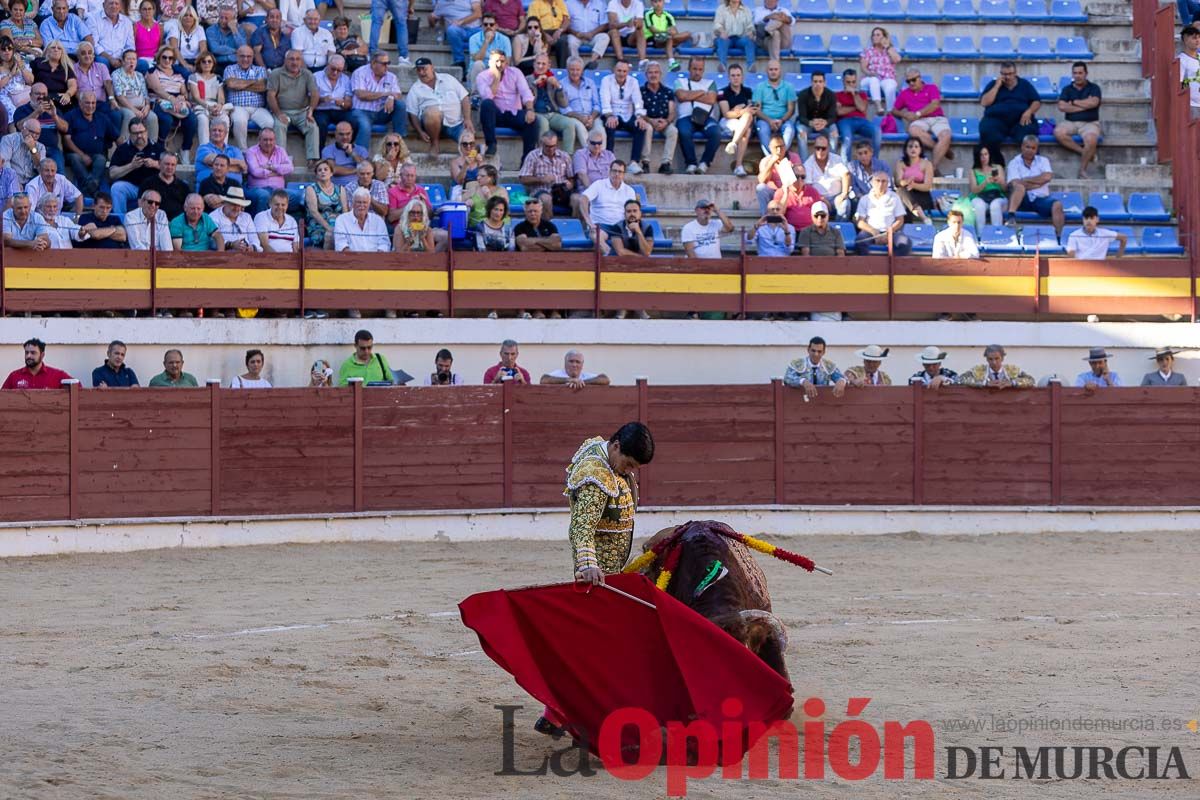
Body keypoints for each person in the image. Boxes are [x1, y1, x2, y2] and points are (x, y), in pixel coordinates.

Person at [476, 50, 538, 164]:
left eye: (502, 61)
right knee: (487, 104)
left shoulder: (516, 73)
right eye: (496, 61)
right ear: (490, 63)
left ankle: (527, 160)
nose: (499, 64)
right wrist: (497, 77)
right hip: (495, 116)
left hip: (514, 113)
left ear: (507, 63)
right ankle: (491, 144)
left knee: (533, 120)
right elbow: (488, 96)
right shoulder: (482, 77)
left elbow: (526, 92)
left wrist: (530, 110)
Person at [406, 56, 472, 156]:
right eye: (418, 70)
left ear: (432, 67)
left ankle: (472, 164)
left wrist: (467, 119)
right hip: (430, 127)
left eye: (424, 69)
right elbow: (412, 113)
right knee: (432, 112)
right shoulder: (415, 89)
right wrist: (419, 131)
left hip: (455, 124)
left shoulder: (448, 79)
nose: (421, 72)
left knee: (469, 140)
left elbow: (464, 97)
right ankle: (434, 143)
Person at [892, 68, 951, 173]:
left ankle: (933, 168)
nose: (911, 83)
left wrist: (918, 113)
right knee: (913, 130)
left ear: (920, 78)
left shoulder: (931, 88)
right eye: (908, 81)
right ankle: (942, 149)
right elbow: (894, 110)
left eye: (913, 80)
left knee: (946, 135)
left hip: (937, 118)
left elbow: (935, 104)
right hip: (919, 121)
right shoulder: (905, 93)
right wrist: (904, 114)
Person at [267, 49, 320, 165]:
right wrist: (279, 113)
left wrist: (311, 111)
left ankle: (313, 159)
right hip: (283, 111)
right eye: (291, 59)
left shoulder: (307, 74)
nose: (294, 62)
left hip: (302, 111)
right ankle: (281, 160)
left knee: (312, 127)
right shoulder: (276, 74)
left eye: (298, 59)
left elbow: (315, 93)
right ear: (285, 61)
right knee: (279, 126)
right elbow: (271, 95)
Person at [1006, 135, 1065, 237]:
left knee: (1057, 205)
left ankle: (1059, 238)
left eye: (1033, 148)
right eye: (1027, 147)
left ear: (1037, 149)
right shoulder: (1014, 162)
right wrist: (1039, 182)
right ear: (1022, 147)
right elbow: (1015, 183)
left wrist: (1025, 180)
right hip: (1022, 200)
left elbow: (1047, 177)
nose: (1030, 150)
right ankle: (1011, 217)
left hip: (1040, 199)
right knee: (1019, 188)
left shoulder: (1043, 160)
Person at [63, 91, 118, 197]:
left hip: (96, 154)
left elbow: (116, 137)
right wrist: (82, 155)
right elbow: (66, 140)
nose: (91, 106)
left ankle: (90, 186)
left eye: (93, 103)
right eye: (87, 103)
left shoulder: (102, 118)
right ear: (80, 103)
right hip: (75, 154)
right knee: (75, 158)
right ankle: (93, 189)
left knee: (101, 159)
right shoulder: (71, 116)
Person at [1054, 61, 1103, 178]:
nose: (1077, 76)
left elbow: (1094, 103)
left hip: (1090, 123)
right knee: (1058, 132)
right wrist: (1085, 106)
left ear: (1086, 74)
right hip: (1070, 122)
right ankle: (1085, 152)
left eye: (1080, 73)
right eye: (1075, 73)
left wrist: (1074, 102)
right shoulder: (1067, 89)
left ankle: (1082, 171)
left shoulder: (1094, 88)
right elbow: (1061, 106)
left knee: (1091, 140)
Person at [350, 51, 406, 149]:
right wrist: (386, 94)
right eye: (384, 64)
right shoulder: (360, 73)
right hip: (361, 112)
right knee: (365, 126)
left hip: (381, 112)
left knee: (400, 105)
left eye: (388, 63)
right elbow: (361, 95)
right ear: (373, 63)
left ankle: (400, 145)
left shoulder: (391, 76)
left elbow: (398, 94)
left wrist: (391, 97)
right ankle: (361, 159)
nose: (387, 66)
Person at [979, 62, 1040, 152]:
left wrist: (1029, 111)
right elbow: (984, 102)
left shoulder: (1024, 84)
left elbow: (1036, 101)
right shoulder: (993, 84)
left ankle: (1032, 164)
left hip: (1020, 120)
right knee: (988, 133)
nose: (1007, 77)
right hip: (996, 120)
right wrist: (997, 87)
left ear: (1015, 73)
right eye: (1004, 74)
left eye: (1010, 74)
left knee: (1028, 136)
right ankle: (994, 163)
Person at [528, 53, 583, 151]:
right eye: (538, 63)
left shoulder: (553, 79)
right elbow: (525, 99)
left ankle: (567, 157)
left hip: (553, 114)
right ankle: (542, 155)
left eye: (544, 64)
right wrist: (534, 84)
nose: (540, 66)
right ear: (534, 64)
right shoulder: (528, 79)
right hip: (536, 113)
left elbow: (564, 104)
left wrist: (559, 87)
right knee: (543, 123)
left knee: (569, 124)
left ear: (549, 65)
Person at [673, 56, 718, 176]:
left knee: (716, 132)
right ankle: (691, 164)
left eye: (700, 69)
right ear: (689, 68)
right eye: (694, 69)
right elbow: (681, 96)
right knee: (684, 131)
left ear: (703, 70)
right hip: (685, 117)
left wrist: (689, 94)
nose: (697, 72)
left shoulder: (710, 83)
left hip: (706, 117)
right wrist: (701, 92)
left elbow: (711, 99)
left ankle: (704, 164)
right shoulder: (680, 82)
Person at [223, 45, 274, 149]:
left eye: (248, 56)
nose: (245, 59)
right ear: (237, 56)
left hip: (258, 108)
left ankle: (261, 151)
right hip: (238, 107)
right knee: (239, 121)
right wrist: (254, 82)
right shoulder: (230, 68)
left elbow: (262, 87)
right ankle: (243, 151)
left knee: (270, 122)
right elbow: (231, 84)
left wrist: (240, 85)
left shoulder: (260, 70)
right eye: (242, 56)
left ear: (253, 57)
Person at [599, 59, 646, 172]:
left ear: (628, 71)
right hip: (612, 113)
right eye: (619, 70)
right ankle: (610, 161)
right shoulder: (606, 80)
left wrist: (640, 116)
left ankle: (634, 162)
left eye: (624, 71)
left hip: (627, 114)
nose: (621, 74)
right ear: (614, 70)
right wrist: (609, 115)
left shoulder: (633, 82)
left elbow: (638, 100)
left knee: (640, 127)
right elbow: (604, 100)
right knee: (610, 126)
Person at [853, 170, 910, 255]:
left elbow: (900, 220)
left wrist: (889, 232)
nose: (880, 184)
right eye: (877, 181)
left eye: (884, 181)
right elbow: (860, 222)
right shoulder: (865, 199)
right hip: (870, 231)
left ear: (888, 183)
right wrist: (874, 232)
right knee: (860, 242)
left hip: (891, 231)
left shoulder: (895, 197)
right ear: (872, 182)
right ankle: (866, 267)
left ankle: (894, 267)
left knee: (904, 243)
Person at [111, 48, 160, 141]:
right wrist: (134, 110)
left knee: (152, 117)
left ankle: (152, 147)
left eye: (134, 59)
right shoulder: (116, 74)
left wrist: (147, 107)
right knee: (130, 115)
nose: (131, 62)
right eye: (128, 59)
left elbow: (145, 95)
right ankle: (123, 144)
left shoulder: (139, 75)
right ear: (123, 61)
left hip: (141, 108)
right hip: (124, 107)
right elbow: (120, 97)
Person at [637, 60, 676, 174]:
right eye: (650, 72)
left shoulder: (668, 91)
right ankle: (645, 163)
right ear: (646, 75)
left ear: (660, 74)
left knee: (673, 131)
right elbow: (638, 111)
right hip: (647, 120)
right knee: (647, 128)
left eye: (656, 72)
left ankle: (665, 163)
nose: (653, 75)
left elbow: (672, 112)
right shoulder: (640, 91)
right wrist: (651, 121)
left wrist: (667, 121)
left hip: (664, 121)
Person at [577, 158, 635, 232]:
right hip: (599, 226)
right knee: (598, 236)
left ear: (624, 174)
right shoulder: (599, 185)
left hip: (620, 227)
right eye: (614, 171)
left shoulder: (629, 190)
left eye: (620, 172)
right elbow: (583, 199)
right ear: (609, 171)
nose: (617, 174)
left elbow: (633, 211)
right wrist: (588, 221)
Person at [245, 127, 294, 212]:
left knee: (298, 196)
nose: (268, 143)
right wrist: (279, 172)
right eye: (265, 140)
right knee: (264, 195)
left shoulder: (280, 150)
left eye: (271, 140)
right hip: (258, 189)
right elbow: (255, 172)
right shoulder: (251, 151)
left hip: (278, 190)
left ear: (275, 140)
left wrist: (271, 167)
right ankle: (261, 223)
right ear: (259, 140)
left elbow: (290, 168)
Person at [752, 60, 795, 156]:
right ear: (767, 71)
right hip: (764, 120)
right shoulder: (760, 87)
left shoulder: (789, 87)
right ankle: (772, 158)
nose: (773, 72)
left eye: (776, 69)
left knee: (790, 130)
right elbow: (756, 109)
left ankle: (778, 156)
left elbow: (791, 109)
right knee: (762, 130)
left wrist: (781, 120)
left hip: (783, 120)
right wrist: (769, 120)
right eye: (771, 69)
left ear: (780, 71)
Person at [717, 63, 754, 176]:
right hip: (727, 123)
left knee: (747, 126)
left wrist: (738, 111)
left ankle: (734, 145)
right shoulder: (722, 92)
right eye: (733, 75)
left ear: (742, 77)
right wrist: (742, 111)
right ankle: (738, 165)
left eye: (738, 75)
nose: (736, 78)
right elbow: (726, 114)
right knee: (746, 124)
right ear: (728, 77)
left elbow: (752, 110)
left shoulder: (748, 91)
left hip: (742, 122)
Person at [835, 69, 879, 162]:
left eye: (853, 82)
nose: (851, 84)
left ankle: (874, 162)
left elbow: (862, 108)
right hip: (844, 121)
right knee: (847, 137)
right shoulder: (837, 95)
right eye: (848, 82)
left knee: (877, 131)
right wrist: (855, 107)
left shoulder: (861, 94)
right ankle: (846, 166)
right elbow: (839, 112)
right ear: (843, 81)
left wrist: (854, 94)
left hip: (861, 121)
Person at [187, 52, 229, 147]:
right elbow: (196, 97)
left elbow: (221, 97)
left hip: (214, 106)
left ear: (213, 63)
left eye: (209, 61)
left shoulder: (218, 77)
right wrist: (207, 106)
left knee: (225, 119)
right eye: (204, 61)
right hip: (200, 106)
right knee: (203, 119)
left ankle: (223, 148)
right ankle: (205, 150)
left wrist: (219, 106)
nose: (207, 64)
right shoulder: (193, 77)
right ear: (199, 63)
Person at [559, 56, 604, 145]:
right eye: (572, 69)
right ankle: (589, 155)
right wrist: (580, 118)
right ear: (567, 70)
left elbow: (597, 104)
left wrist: (591, 118)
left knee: (600, 131)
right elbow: (564, 109)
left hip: (592, 116)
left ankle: (601, 157)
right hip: (573, 117)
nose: (575, 72)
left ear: (582, 70)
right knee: (581, 129)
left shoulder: (590, 83)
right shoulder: (561, 84)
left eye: (578, 69)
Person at [803, 134, 850, 219]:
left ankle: (839, 229)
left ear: (828, 148)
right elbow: (808, 187)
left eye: (823, 148)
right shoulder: (808, 163)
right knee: (819, 208)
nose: (820, 151)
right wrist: (821, 198)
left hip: (837, 196)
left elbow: (846, 175)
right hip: (818, 198)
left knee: (845, 204)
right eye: (818, 148)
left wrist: (843, 195)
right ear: (814, 148)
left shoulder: (836, 159)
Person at [313, 54, 353, 151]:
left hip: (339, 110)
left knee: (353, 122)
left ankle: (348, 151)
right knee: (321, 124)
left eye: (339, 70)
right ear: (327, 65)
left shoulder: (345, 79)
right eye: (333, 69)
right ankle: (319, 155)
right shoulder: (315, 77)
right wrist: (322, 99)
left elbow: (349, 103)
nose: (335, 72)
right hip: (321, 110)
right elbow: (308, 100)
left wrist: (342, 103)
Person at [431, 0, 483, 74]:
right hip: (458, 32)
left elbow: (478, 14)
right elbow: (432, 19)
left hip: (476, 29)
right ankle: (459, 61)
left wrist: (461, 22)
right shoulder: (441, 3)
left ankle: (466, 47)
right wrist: (431, 18)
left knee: (486, 32)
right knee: (452, 30)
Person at [196, 117, 249, 188]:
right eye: (214, 130)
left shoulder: (234, 150)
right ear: (210, 132)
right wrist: (237, 162)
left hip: (233, 189)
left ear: (225, 133)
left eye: (220, 131)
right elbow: (211, 159)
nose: (217, 133)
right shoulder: (203, 148)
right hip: (209, 188)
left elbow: (242, 167)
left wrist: (215, 167)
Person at [794, 70, 835, 160]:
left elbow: (833, 116)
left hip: (824, 124)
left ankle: (833, 163)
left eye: (820, 81)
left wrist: (825, 122)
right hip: (807, 124)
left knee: (834, 132)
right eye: (815, 81)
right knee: (801, 132)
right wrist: (811, 123)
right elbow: (802, 117)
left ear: (825, 83)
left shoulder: (831, 95)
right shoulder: (803, 94)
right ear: (811, 82)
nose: (818, 84)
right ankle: (805, 164)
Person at [968, 143, 1007, 235]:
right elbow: (974, 190)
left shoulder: (997, 167)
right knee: (979, 206)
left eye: (986, 154)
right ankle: (980, 235)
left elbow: (1005, 189)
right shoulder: (973, 171)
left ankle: (996, 234)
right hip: (980, 196)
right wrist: (985, 182)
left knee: (995, 205)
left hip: (997, 196)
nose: (984, 157)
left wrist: (1000, 181)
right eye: (981, 155)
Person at [859, 26, 899, 115]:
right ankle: (879, 107)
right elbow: (863, 68)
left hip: (887, 77)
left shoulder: (890, 49)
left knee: (890, 87)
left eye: (878, 35)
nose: (875, 37)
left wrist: (887, 47)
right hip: (870, 78)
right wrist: (870, 73)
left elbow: (897, 60)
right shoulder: (868, 51)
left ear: (884, 37)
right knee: (874, 80)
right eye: (874, 35)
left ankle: (890, 112)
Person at [2, 338, 73, 389]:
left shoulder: (57, 375)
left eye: (33, 353)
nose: (28, 356)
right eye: (26, 352)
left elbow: (77, 388)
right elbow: (3, 398)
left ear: (42, 355)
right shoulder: (14, 376)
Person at [893, 136, 933, 224]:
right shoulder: (900, 163)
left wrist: (914, 185)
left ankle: (907, 231)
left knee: (903, 202)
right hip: (906, 193)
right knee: (901, 192)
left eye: (916, 146)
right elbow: (898, 182)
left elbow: (928, 186)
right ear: (906, 149)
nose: (913, 149)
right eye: (910, 146)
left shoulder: (926, 164)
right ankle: (922, 216)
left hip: (923, 195)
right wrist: (906, 182)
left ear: (920, 149)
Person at [773, 163, 823, 233]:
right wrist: (786, 194)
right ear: (791, 177)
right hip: (788, 231)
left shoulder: (813, 192)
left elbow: (820, 213)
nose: (799, 180)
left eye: (802, 177)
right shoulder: (781, 192)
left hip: (809, 231)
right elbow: (777, 215)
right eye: (796, 176)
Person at [335, 186, 389, 251]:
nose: (362, 205)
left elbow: (384, 243)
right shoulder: (342, 220)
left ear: (369, 204)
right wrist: (356, 258)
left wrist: (377, 257)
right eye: (359, 202)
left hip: (375, 259)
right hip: (350, 259)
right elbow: (341, 244)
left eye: (364, 202)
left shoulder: (378, 221)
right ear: (353, 203)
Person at [138, 151, 188, 220]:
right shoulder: (148, 183)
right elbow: (141, 207)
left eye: (173, 165)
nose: (170, 167)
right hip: (154, 223)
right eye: (167, 164)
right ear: (159, 163)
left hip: (177, 225)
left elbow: (188, 209)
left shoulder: (184, 187)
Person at [958, 344, 1035, 388]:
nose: (994, 362)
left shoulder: (1012, 370)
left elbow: (1031, 380)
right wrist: (984, 383)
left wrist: (1012, 383)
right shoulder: (978, 370)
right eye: (990, 359)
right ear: (986, 359)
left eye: (997, 358)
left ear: (1002, 358)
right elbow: (961, 379)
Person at [211, 185, 261, 251]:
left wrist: (252, 247)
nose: (237, 208)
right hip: (224, 256)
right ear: (225, 203)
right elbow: (212, 242)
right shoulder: (214, 217)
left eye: (239, 205)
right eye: (233, 204)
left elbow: (255, 240)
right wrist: (232, 245)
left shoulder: (246, 217)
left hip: (246, 256)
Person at [320, 119, 368, 188]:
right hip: (337, 188)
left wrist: (352, 153)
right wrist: (357, 170)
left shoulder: (361, 150)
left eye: (348, 134)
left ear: (352, 133)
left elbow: (366, 167)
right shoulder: (328, 150)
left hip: (358, 188)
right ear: (335, 134)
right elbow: (333, 169)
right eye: (341, 134)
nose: (345, 137)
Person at [467, 12, 511, 86]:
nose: (488, 27)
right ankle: (476, 94)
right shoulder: (473, 38)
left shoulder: (505, 39)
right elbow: (477, 58)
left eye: (491, 24)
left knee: (502, 66)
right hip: (479, 70)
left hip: (497, 69)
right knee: (478, 64)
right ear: (482, 26)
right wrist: (486, 41)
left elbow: (507, 61)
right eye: (485, 24)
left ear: (496, 26)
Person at [644, 0, 689, 70]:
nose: (658, 4)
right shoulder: (648, 14)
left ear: (663, 2)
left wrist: (670, 32)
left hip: (666, 37)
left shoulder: (668, 15)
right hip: (653, 38)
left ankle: (669, 45)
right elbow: (653, 30)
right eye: (655, 2)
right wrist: (666, 32)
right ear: (651, 3)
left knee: (687, 34)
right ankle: (671, 62)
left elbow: (674, 31)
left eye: (660, 1)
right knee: (669, 37)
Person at [90, 0, 133, 71]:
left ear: (120, 6)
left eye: (116, 3)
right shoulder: (94, 19)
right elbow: (94, 44)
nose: (114, 6)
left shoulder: (127, 22)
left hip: (122, 59)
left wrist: (122, 60)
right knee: (102, 62)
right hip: (103, 57)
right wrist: (110, 58)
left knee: (142, 64)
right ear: (103, 5)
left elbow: (130, 46)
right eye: (111, 3)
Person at [566, 0, 609, 67]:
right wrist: (576, 33)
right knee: (570, 41)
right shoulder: (568, 3)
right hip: (576, 35)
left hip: (593, 35)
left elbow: (605, 24)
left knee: (605, 37)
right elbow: (565, 23)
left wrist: (592, 33)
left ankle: (592, 62)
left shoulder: (600, 3)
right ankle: (575, 65)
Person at [713, 0, 752, 73]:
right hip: (726, 38)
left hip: (740, 39)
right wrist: (722, 31)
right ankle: (722, 65)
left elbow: (750, 26)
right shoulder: (721, 9)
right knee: (722, 40)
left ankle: (751, 66)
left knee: (749, 41)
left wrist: (750, 32)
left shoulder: (746, 10)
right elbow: (717, 24)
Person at [463, 162, 507, 227]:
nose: (478, 178)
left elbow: (504, 210)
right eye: (478, 175)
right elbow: (460, 204)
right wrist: (466, 203)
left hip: (497, 224)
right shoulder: (473, 188)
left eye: (482, 176)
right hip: (477, 224)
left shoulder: (501, 191)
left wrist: (488, 195)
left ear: (491, 178)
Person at [541, 349, 610, 388]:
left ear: (582, 365)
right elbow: (544, 379)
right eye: (571, 361)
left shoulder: (585, 376)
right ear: (565, 363)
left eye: (578, 362)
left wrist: (582, 382)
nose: (574, 365)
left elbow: (605, 379)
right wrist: (568, 380)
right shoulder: (558, 374)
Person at [607, 0, 646, 68]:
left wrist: (636, 23)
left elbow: (640, 24)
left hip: (630, 36)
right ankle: (621, 60)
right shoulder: (613, 3)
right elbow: (611, 25)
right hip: (617, 35)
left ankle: (642, 61)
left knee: (640, 31)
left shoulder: (638, 4)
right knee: (614, 32)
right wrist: (626, 24)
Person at [1180, 26, 1200, 113]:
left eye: (1199, 38)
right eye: (1194, 38)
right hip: (1192, 105)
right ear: (1185, 40)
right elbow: (1180, 84)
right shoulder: (1181, 60)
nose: (1198, 40)